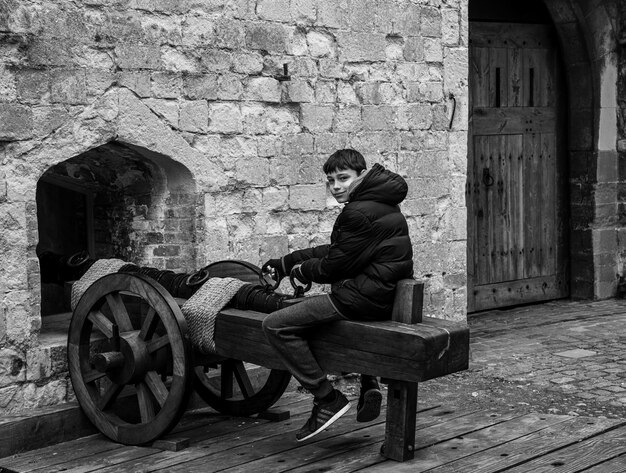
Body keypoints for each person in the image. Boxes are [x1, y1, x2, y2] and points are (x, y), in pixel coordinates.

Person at [261, 149, 414, 442]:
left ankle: (326, 399)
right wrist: (288, 261)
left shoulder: (357, 212)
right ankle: (369, 380)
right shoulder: (380, 203)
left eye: (343, 178)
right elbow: (339, 251)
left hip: (362, 299)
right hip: (380, 296)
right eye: (330, 181)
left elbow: (333, 266)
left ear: (362, 176)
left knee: (275, 325)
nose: (336, 187)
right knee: (319, 322)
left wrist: (301, 272)